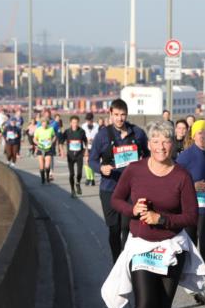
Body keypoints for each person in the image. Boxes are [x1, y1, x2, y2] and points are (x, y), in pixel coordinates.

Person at [101, 120, 205, 308]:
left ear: (173, 145)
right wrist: (133, 210)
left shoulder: (181, 175)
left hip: (171, 247)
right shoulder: (135, 170)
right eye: (156, 141)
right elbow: (116, 199)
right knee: (144, 304)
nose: (161, 146)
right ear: (148, 144)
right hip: (142, 246)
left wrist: (162, 220)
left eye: (166, 141)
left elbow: (191, 216)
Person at [89, 98, 149, 261]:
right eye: (116, 115)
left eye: (122, 115)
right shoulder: (102, 135)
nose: (119, 118)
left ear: (127, 115)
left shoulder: (137, 133)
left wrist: (143, 166)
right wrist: (101, 168)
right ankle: (117, 261)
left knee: (127, 227)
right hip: (110, 188)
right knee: (114, 229)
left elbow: (148, 155)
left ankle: (126, 259)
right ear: (110, 114)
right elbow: (92, 160)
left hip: (131, 189)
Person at [177, 119, 205, 303]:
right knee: (188, 247)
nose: (203, 136)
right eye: (200, 133)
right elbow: (175, 180)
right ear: (193, 136)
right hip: (188, 209)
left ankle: (203, 286)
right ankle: (190, 281)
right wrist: (192, 186)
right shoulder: (185, 156)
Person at [61, 115, 89, 198]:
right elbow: (61, 141)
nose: (75, 124)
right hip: (70, 155)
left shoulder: (82, 131)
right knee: (72, 174)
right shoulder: (67, 132)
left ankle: (78, 183)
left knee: (79, 173)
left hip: (79, 155)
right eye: (73, 122)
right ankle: (72, 190)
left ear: (78, 123)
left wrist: (86, 150)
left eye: (76, 122)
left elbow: (85, 141)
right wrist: (62, 151)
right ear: (70, 123)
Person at [34, 113, 57, 184]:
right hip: (40, 148)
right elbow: (34, 139)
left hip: (48, 149)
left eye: (45, 122)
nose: (44, 124)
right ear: (41, 123)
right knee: (41, 166)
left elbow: (54, 136)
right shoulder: (38, 129)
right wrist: (37, 143)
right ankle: (42, 179)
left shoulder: (51, 129)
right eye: (43, 122)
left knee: (47, 166)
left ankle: (47, 177)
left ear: (47, 123)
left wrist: (52, 141)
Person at [82, 113, 100, 186]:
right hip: (86, 146)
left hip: (94, 147)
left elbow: (99, 136)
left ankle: (92, 179)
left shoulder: (97, 126)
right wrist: (86, 139)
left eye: (90, 120)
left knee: (92, 162)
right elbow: (82, 136)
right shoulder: (83, 126)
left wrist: (94, 140)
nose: (88, 121)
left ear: (92, 119)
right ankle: (88, 178)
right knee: (86, 162)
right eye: (87, 120)